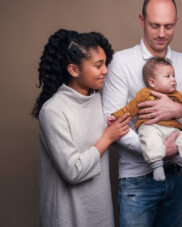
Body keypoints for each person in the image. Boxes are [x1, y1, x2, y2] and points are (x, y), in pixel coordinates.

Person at [102, 0, 182, 226]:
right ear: (141, 20)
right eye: (155, 25)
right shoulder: (121, 62)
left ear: (176, 22)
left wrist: (177, 112)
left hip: (178, 176)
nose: (162, 33)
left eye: (168, 26)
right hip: (137, 179)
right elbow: (112, 120)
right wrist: (157, 150)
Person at [32, 29, 131, 227]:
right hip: (66, 215)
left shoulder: (98, 99)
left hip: (99, 211)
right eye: (98, 65)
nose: (106, 71)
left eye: (105, 63)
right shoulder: (52, 111)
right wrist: (107, 138)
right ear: (73, 70)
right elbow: (73, 171)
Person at [107, 57, 182, 181]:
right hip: (149, 126)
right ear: (152, 82)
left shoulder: (176, 95)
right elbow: (130, 109)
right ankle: (157, 165)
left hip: (172, 129)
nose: (173, 80)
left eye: (173, 76)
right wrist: (115, 116)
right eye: (168, 76)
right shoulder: (144, 94)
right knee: (150, 140)